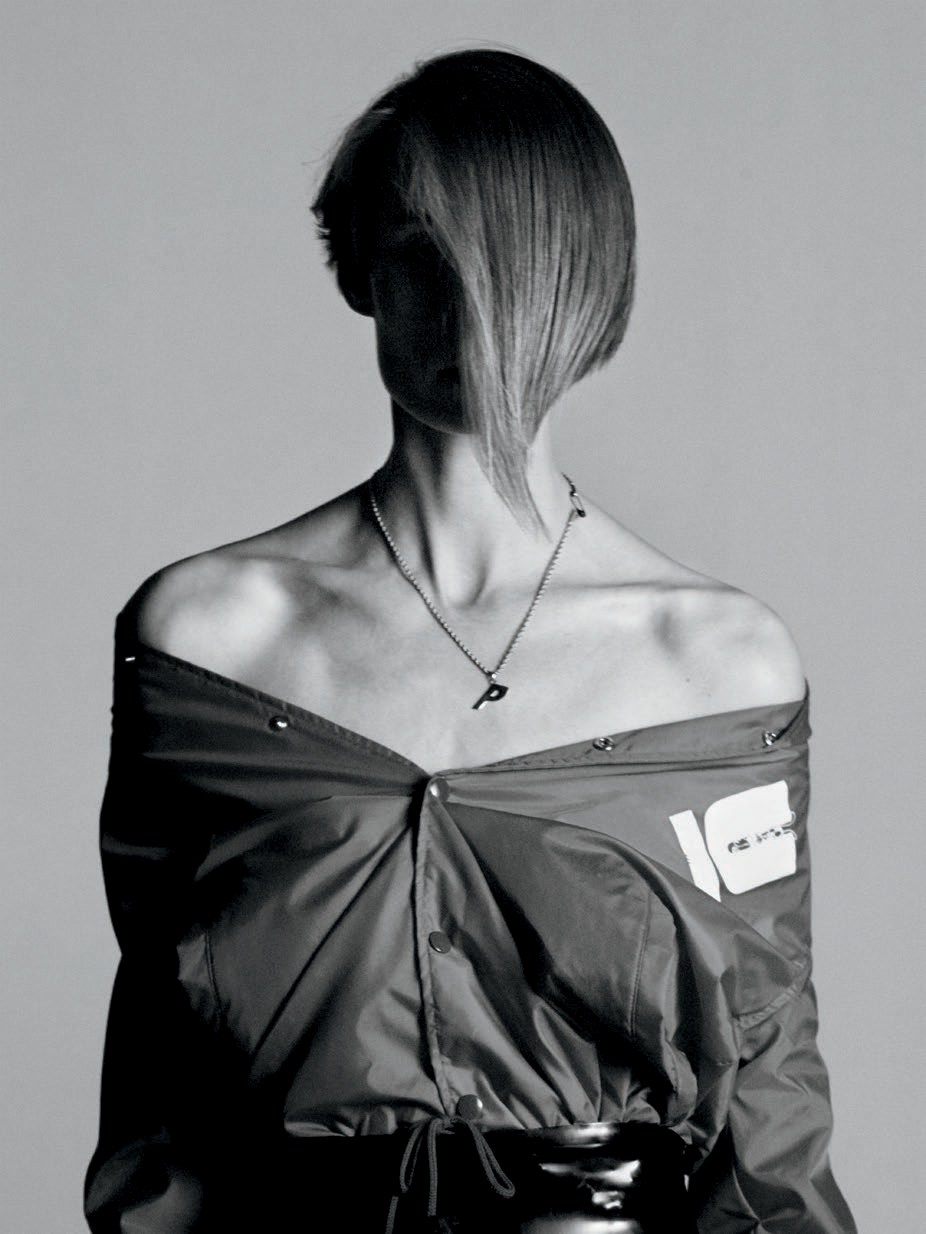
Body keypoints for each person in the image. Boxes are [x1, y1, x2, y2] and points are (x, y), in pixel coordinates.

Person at [85, 48, 856, 1233]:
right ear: (360, 271)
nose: (467, 316)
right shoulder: (208, 642)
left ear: (588, 295)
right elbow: (160, 1100)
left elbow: (765, 1109)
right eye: (419, 261)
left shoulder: (716, 666)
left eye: (508, 272)